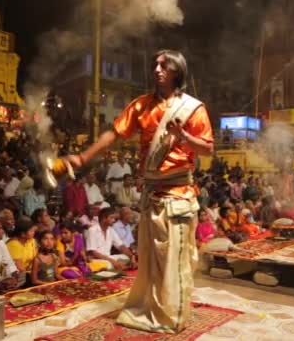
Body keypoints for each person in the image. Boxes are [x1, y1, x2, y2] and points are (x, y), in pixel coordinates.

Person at [61, 50, 213, 333]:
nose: (156, 69)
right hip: (151, 195)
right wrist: (83, 158)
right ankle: (154, 307)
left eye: (164, 65)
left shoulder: (193, 108)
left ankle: (172, 316)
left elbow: (207, 148)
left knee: (173, 260)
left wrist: (184, 137)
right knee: (151, 260)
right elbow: (114, 134)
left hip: (178, 195)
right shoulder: (141, 106)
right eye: (155, 64)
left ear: (176, 71)